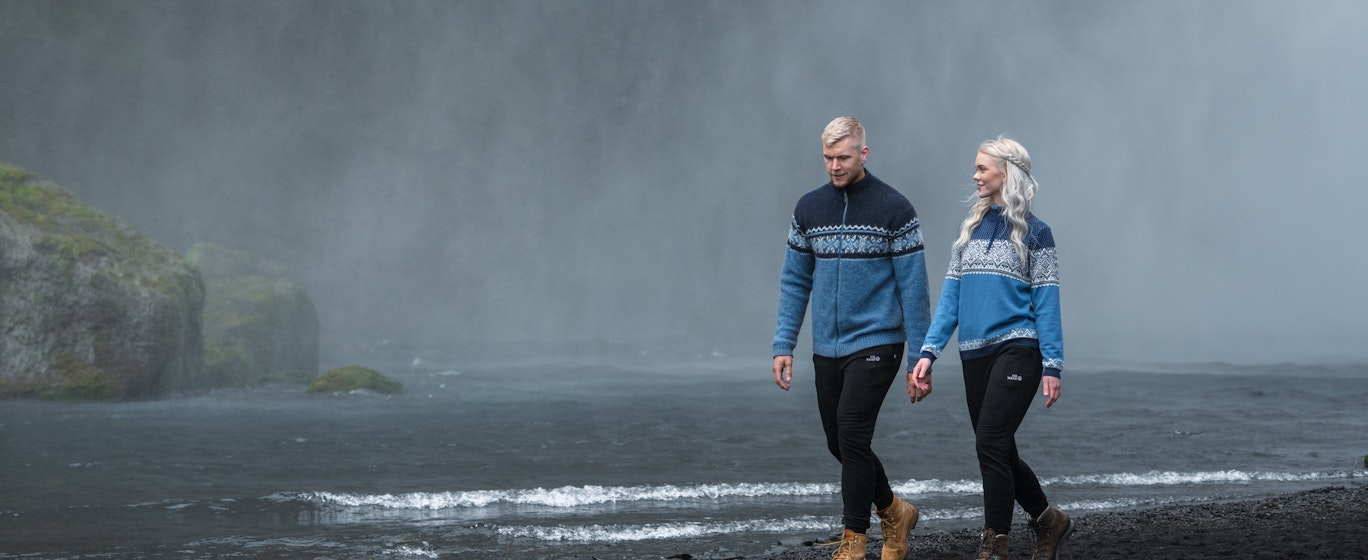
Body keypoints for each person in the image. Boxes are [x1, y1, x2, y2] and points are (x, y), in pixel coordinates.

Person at [772, 116, 931, 560]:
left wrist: (921, 357)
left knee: (853, 434)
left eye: (843, 157)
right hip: (827, 346)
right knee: (837, 441)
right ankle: (895, 511)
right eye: (828, 158)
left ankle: (854, 540)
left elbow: (914, 288)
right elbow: (794, 281)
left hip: (879, 341)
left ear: (863, 153)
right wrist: (784, 344)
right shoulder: (809, 209)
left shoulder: (894, 209)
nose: (835, 166)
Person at [908, 136, 1071, 560]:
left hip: (1019, 348)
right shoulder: (969, 232)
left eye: (982, 168)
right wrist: (928, 353)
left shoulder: (1037, 233)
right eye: (976, 168)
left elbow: (1047, 300)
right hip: (974, 354)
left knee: (990, 443)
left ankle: (994, 542)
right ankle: (1048, 520)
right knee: (997, 447)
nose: (975, 175)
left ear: (1007, 173)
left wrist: (1052, 364)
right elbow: (950, 302)